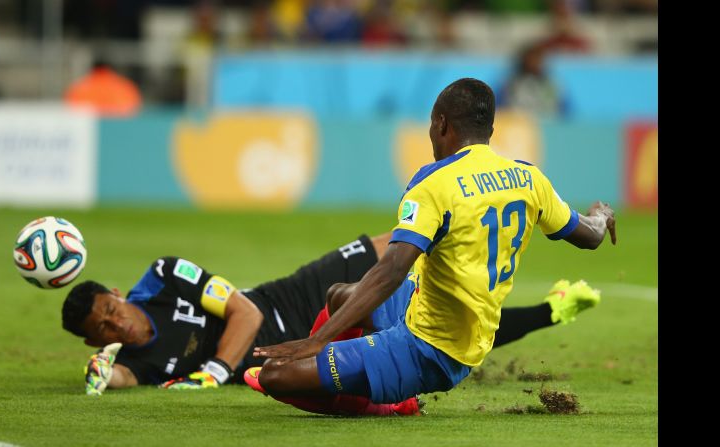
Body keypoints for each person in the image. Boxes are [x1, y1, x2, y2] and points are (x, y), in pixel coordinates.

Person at [248, 78, 616, 417]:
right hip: (448, 321)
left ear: (441, 124)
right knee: (340, 295)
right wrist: (600, 214)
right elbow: (590, 235)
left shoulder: (434, 182)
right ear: (490, 130)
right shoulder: (528, 177)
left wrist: (316, 342)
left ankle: (393, 404)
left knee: (275, 376)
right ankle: (354, 367)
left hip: (429, 348)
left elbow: (391, 271)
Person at [62, 232, 600, 398]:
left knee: (391, 242)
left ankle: (476, 269)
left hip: (291, 298)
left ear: (117, 292)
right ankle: (551, 310)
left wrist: (214, 372)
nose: (116, 325)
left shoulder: (162, 278)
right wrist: (103, 374)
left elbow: (244, 312)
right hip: (295, 345)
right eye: (103, 330)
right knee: (436, 338)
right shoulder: (136, 357)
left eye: (111, 310)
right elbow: (125, 377)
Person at [64, 59, 142, 117]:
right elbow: (134, 111)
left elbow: (70, 111)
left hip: (88, 130)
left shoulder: (78, 88)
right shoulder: (126, 87)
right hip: (120, 129)